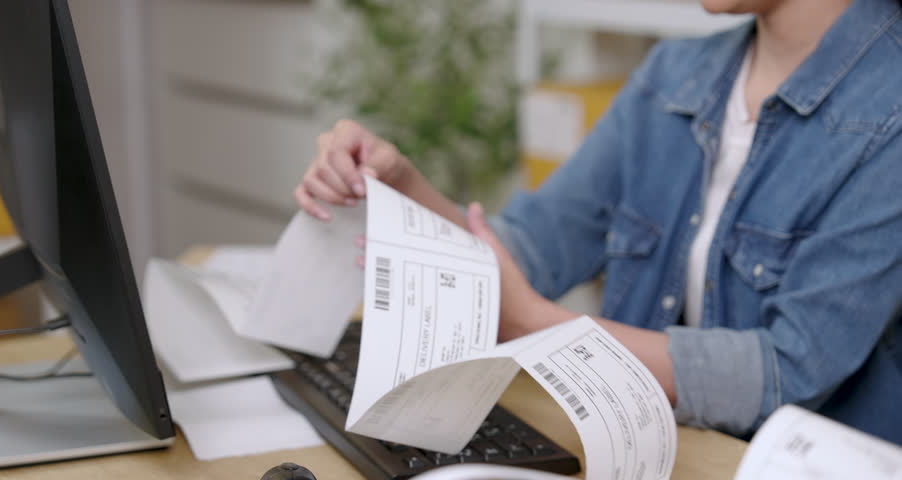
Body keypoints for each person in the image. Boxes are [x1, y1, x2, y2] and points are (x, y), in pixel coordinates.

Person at [294, 0, 902, 444]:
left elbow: (787, 370)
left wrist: (535, 320)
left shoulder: (891, 111)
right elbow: (532, 245)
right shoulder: (675, 75)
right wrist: (399, 183)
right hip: (650, 446)